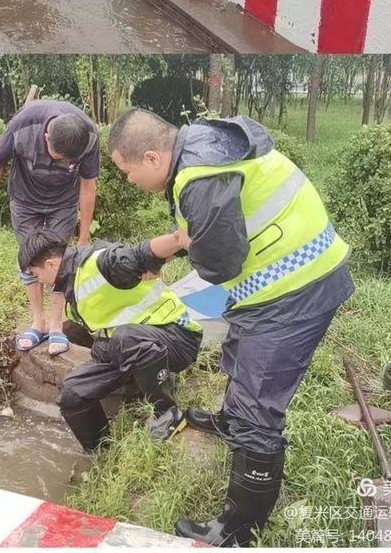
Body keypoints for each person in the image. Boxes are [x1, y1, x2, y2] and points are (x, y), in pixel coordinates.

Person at [108, 109, 354, 548]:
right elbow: (206, 230)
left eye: (127, 173)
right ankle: (229, 421)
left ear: (150, 157)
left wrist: (188, 251)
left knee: (259, 408)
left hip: (295, 289)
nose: (129, 182)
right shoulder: (201, 145)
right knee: (239, 351)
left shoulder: (197, 178)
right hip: (278, 281)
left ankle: (240, 528)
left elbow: (220, 262)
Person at [20, 228, 201, 450]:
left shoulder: (102, 263)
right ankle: (101, 452)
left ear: (50, 264)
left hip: (177, 337)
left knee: (125, 337)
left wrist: (177, 239)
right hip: (126, 345)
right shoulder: (71, 280)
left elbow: (143, 253)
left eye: (36, 274)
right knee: (73, 391)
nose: (39, 281)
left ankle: (168, 413)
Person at [0, 100, 98, 355]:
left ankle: (56, 325)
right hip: (25, 199)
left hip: (63, 202)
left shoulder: (88, 137)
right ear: (46, 136)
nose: (62, 164)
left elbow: (88, 185)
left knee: (58, 262)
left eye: (68, 161)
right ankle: (37, 322)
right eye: (57, 157)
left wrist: (83, 236)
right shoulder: (24, 124)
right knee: (30, 260)